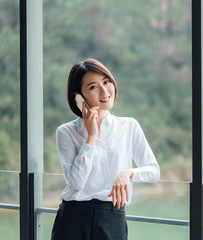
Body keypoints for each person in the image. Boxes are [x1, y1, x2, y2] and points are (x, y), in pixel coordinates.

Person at [51, 58, 160, 240]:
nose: (104, 91)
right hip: (73, 219)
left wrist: (128, 173)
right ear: (78, 96)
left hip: (112, 216)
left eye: (106, 82)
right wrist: (91, 137)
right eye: (93, 87)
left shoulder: (129, 126)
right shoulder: (66, 132)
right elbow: (76, 183)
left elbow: (153, 171)